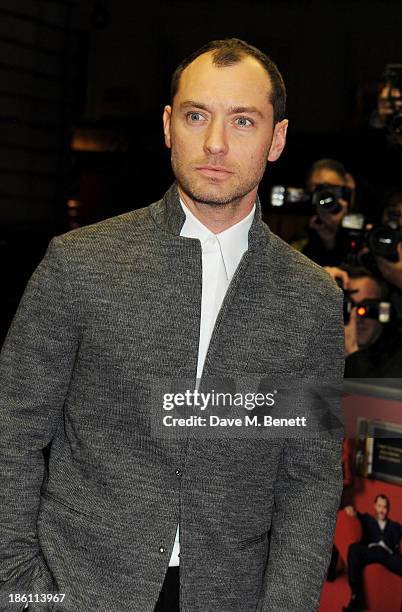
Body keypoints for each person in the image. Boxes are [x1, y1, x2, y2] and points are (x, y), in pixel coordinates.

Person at [0, 38, 345, 612]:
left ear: (276, 138)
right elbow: (11, 430)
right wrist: (21, 590)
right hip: (74, 588)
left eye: (242, 120)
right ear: (168, 126)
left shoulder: (309, 299)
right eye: (195, 116)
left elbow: (308, 477)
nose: (215, 143)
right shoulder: (80, 263)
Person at [325, 264, 402, 377]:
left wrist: (351, 352)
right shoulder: (322, 346)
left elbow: (374, 393)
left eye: (367, 308)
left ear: (384, 311)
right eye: (347, 307)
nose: (356, 318)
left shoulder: (397, 358)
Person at [343, 495, 402, 611]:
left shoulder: (395, 526)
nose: (381, 510)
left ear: (388, 509)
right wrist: (350, 508)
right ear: (374, 506)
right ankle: (355, 596)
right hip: (371, 551)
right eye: (379, 506)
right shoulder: (367, 519)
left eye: (384, 507)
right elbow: (355, 513)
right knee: (354, 549)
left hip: (388, 555)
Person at [301, 158, 355, 266]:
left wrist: (342, 226)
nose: (324, 198)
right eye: (317, 192)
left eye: (329, 188)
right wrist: (328, 239)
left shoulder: (377, 210)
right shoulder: (315, 225)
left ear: (349, 181)